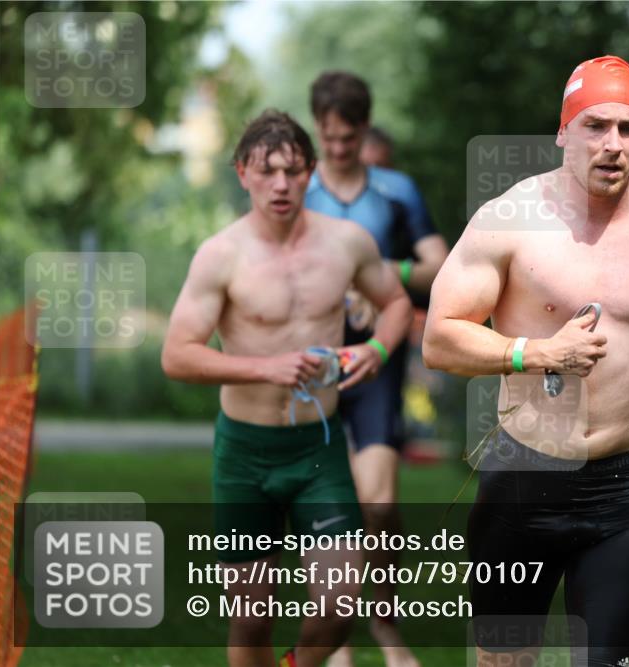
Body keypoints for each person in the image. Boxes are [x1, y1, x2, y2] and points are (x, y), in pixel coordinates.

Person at [422, 56, 629, 667]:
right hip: (523, 477)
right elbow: (439, 338)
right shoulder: (509, 220)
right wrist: (534, 352)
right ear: (563, 131)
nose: (613, 145)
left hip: (626, 486)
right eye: (595, 126)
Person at [161, 110, 412, 667]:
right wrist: (265, 368)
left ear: (312, 171)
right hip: (245, 454)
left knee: (342, 603)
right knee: (251, 617)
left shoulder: (348, 243)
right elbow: (177, 355)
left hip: (316, 449)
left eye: (294, 171)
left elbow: (395, 302)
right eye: (266, 170)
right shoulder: (220, 255)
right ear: (242, 172)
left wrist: (376, 350)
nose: (280, 184)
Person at [305, 71, 449, 667]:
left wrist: (379, 273)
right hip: (312, 366)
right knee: (324, 510)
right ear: (319, 130)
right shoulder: (298, 187)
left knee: (380, 506)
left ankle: (385, 622)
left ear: (365, 130)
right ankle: (334, 640)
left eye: (348, 137)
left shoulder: (395, 191)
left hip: (377, 364)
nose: (338, 149)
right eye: (328, 137)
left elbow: (438, 265)